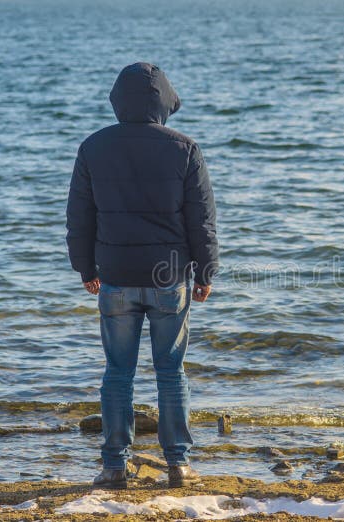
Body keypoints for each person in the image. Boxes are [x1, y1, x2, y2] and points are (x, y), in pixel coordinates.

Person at [65, 62, 218, 489]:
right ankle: (179, 465)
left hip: (114, 277)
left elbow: (79, 217)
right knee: (171, 371)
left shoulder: (93, 147)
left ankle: (114, 466)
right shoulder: (185, 148)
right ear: (165, 101)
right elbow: (201, 220)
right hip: (170, 279)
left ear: (118, 101)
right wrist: (206, 271)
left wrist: (85, 268)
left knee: (118, 372)